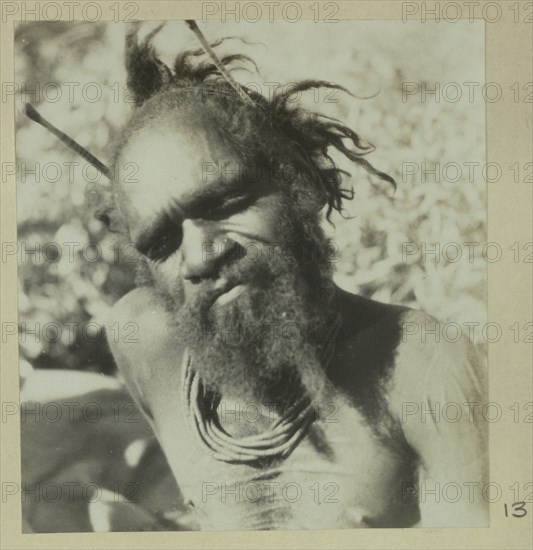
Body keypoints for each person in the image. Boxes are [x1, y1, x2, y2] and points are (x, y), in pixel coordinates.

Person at [44, 25, 489, 530]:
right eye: (162, 243)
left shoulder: (426, 366)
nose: (198, 257)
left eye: (224, 204)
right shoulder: (144, 340)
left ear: (301, 181)